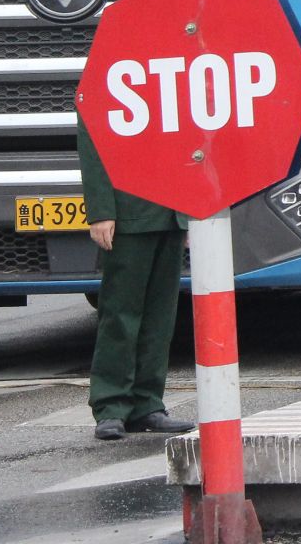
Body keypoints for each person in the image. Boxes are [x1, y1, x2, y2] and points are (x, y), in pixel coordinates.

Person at [79, 127, 198, 441]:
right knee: (121, 312)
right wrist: (102, 210)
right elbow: (94, 139)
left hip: (169, 207)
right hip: (128, 208)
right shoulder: (105, 76)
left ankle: (147, 404)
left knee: (161, 315)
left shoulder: (172, 76)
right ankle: (111, 407)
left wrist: (186, 210)